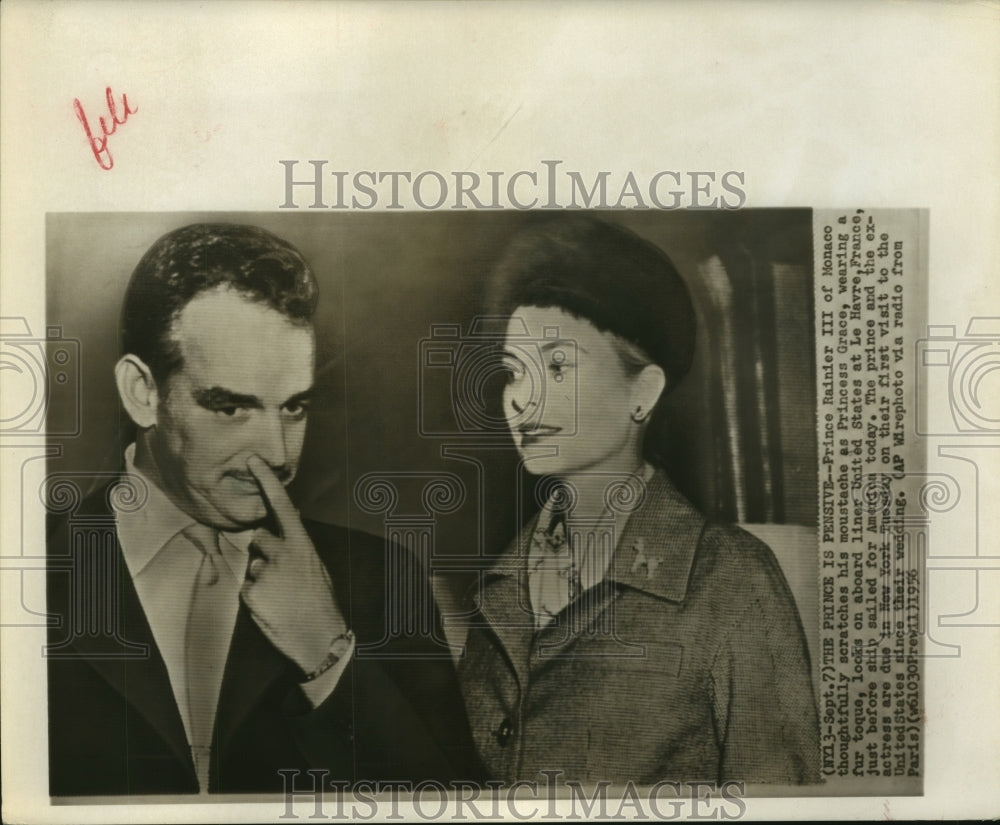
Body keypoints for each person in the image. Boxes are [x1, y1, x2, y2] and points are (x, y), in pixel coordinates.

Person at [46, 222, 481, 796]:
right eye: (232, 409)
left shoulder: (384, 579)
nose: (277, 454)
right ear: (142, 392)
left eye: (294, 407)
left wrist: (328, 653)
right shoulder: (27, 569)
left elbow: (452, 806)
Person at [458, 215, 820, 786]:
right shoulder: (500, 589)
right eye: (513, 372)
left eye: (557, 366)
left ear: (642, 393)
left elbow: (783, 802)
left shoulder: (733, 581)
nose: (521, 400)